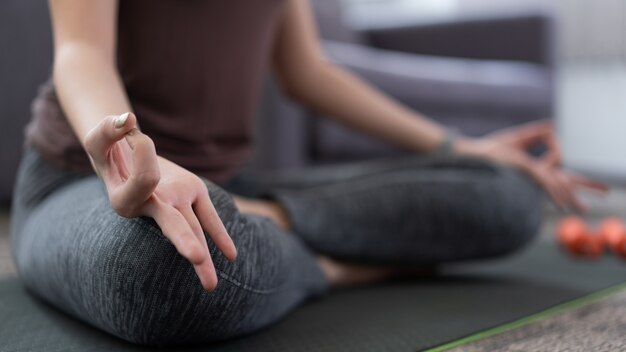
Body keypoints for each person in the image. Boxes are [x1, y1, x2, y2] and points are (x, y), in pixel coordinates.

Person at [11, 0, 605, 346]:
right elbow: (80, 51)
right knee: (170, 269)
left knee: (508, 195)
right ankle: (331, 264)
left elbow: (309, 72)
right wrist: (128, 152)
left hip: (231, 188)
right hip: (82, 184)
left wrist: (461, 146)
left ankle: (277, 224)